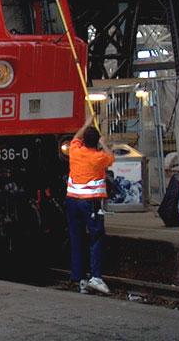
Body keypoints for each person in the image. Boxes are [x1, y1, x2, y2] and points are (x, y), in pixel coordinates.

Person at [66, 114, 115, 295]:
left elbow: (75, 138)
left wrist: (85, 123)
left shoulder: (75, 151)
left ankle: (80, 279)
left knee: (76, 238)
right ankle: (96, 277)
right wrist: (104, 143)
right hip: (91, 203)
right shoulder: (98, 158)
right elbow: (111, 157)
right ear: (96, 143)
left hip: (72, 201)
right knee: (96, 238)